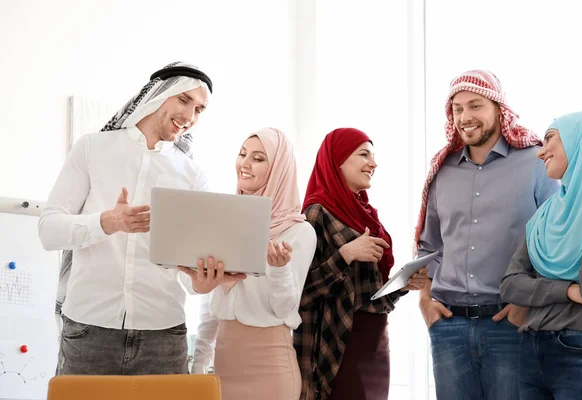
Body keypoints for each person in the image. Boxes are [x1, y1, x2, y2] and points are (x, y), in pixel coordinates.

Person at [39, 62, 242, 375]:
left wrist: (203, 284)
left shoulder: (192, 175)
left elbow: (191, 278)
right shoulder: (92, 148)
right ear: (158, 95)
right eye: (184, 100)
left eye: (199, 109)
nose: (190, 117)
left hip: (164, 336)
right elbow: (48, 231)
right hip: (88, 330)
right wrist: (108, 222)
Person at [415, 70, 560, 400]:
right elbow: (429, 245)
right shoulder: (442, 169)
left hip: (510, 324)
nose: (465, 117)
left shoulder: (536, 162)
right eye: (457, 109)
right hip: (448, 325)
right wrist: (425, 300)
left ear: (499, 109)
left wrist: (527, 304)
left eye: (475, 106)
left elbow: (554, 241)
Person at [294, 127, 428, 400]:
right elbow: (301, 293)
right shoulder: (316, 213)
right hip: (339, 344)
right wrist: (346, 254)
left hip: (375, 341)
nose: (373, 163)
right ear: (338, 160)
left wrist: (403, 285)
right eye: (364, 154)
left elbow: (367, 296)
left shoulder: (366, 215)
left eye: (373, 156)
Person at [188, 128, 316, 400]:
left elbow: (285, 308)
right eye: (242, 154)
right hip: (223, 366)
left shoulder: (299, 232)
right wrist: (199, 363)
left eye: (258, 158)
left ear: (279, 168)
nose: (244, 163)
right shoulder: (225, 220)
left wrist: (279, 269)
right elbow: (210, 304)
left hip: (270, 367)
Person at [500, 111, 582, 400]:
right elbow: (510, 284)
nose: (540, 152)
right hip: (532, 348)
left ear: (581, 142)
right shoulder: (545, 216)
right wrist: (568, 291)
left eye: (549, 139)